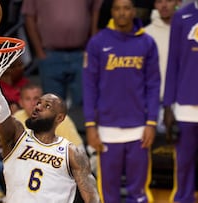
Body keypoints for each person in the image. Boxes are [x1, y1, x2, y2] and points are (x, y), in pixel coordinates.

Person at [0, 52, 100, 202]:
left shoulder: (72, 152)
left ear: (59, 117)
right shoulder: (16, 136)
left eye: (46, 106)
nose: (37, 106)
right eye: (38, 103)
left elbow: (92, 199)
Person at [83, 0, 160, 202]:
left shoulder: (147, 43)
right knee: (109, 194)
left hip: (139, 129)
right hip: (107, 129)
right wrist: (90, 125)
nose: (122, 13)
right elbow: (89, 87)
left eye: (127, 8)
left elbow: (153, 85)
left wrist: (152, 122)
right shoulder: (97, 43)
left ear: (134, 11)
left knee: (139, 193)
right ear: (112, 12)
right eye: (118, 8)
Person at [21, 0, 102, 109]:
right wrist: (39, 51)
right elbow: (29, 17)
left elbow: (96, 11)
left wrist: (91, 48)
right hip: (50, 55)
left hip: (81, 54)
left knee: (85, 104)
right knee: (52, 108)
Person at [163, 0, 198, 202]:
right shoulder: (181, 16)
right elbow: (172, 63)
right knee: (184, 164)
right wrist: (168, 105)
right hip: (185, 105)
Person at [145, 0, 180, 134]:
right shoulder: (146, 35)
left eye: (169, 1)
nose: (164, 6)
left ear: (178, 2)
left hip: (185, 104)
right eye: (159, 1)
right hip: (154, 105)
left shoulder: (190, 32)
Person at [13, 83, 84, 149]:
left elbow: (78, 149)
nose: (32, 103)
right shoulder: (16, 118)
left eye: (36, 98)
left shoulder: (59, 119)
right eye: (28, 99)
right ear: (21, 103)